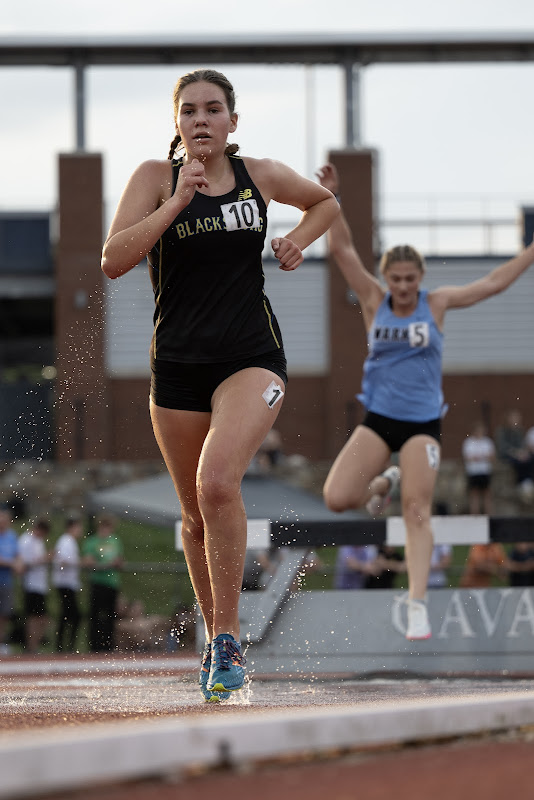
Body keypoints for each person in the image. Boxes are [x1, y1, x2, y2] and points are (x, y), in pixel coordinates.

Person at [101, 69, 338, 701]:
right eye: (190, 112)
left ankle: (228, 640)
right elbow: (113, 258)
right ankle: (213, 640)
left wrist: (297, 240)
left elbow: (325, 202)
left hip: (250, 358)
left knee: (216, 484)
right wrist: (177, 202)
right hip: (177, 366)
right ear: (176, 123)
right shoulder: (155, 177)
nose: (201, 120)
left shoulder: (259, 174)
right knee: (193, 515)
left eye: (213, 110)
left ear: (233, 121)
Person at [317, 161, 534, 641]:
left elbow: (494, 282)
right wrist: (331, 198)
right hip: (378, 419)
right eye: (395, 278)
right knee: (337, 498)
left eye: (409, 279)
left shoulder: (436, 304)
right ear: (387, 277)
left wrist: (531, 250)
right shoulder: (373, 300)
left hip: (421, 424)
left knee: (418, 509)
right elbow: (343, 249)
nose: (402, 287)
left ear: (420, 276)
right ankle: (382, 484)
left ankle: (416, 602)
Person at [82, 515, 124, 652]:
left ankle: (108, 645)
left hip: (111, 583)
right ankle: (94, 646)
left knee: (110, 616)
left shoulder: (115, 541)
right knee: (95, 616)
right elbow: (89, 561)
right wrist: (106, 565)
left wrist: (111, 564)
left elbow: (119, 560)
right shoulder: (92, 542)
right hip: (98, 583)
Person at [18, 519, 51, 653]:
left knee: (41, 617)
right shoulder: (26, 541)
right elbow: (24, 564)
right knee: (34, 617)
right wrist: (45, 558)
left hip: (39, 584)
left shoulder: (38, 541)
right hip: (31, 584)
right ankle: (31, 646)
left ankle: (35, 644)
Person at [52, 517, 84, 653]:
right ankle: (64, 646)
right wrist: (81, 562)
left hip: (68, 583)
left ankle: (63, 645)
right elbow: (63, 561)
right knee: (71, 615)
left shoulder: (69, 541)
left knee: (68, 615)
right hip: (65, 583)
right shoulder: (66, 541)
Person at [494, 409, 534, 499]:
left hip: (520, 454)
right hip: (507, 456)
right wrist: (516, 453)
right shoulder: (501, 431)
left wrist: (523, 452)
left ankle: (528, 482)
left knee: (530, 459)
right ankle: (521, 482)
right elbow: (503, 448)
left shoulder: (519, 430)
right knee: (519, 462)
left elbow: (523, 445)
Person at [461, 421, 496, 515]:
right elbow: (468, 458)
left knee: (487, 493)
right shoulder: (468, 442)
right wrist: (483, 457)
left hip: (485, 471)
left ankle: (488, 513)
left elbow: (492, 457)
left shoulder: (488, 442)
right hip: (473, 471)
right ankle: (474, 513)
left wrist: (479, 457)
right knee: (474, 493)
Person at [0, 508, 21, 655]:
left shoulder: (12, 536)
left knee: (5, 614)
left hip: (7, 581)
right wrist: (11, 563)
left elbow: (17, 554)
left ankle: (2, 641)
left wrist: (19, 563)